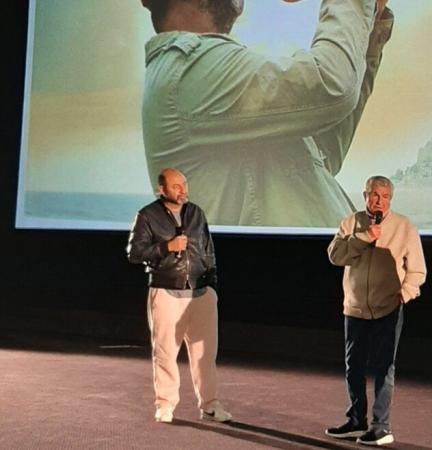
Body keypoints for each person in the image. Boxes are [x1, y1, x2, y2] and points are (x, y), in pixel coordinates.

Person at [139, 0, 393, 227]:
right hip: (283, 276)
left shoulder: (204, 75)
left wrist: (369, 27)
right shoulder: (186, 69)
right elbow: (332, 85)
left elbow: (322, 153)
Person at [326, 175, 427, 446]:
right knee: (353, 367)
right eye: (373, 195)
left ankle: (381, 427)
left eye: (383, 196)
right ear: (365, 195)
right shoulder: (351, 223)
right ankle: (356, 421)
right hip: (355, 308)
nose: (378, 201)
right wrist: (363, 237)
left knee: (384, 368)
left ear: (390, 199)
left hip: (388, 308)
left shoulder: (404, 226)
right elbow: (335, 256)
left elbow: (417, 269)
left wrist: (404, 295)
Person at [126, 168, 231, 424]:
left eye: (184, 184)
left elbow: (208, 250)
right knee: (165, 353)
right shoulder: (147, 215)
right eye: (176, 186)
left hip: (201, 292)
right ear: (161, 189)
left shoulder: (196, 212)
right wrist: (166, 247)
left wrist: (213, 286)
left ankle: (210, 405)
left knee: (205, 355)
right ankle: (165, 404)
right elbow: (134, 252)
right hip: (166, 291)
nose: (182, 190)